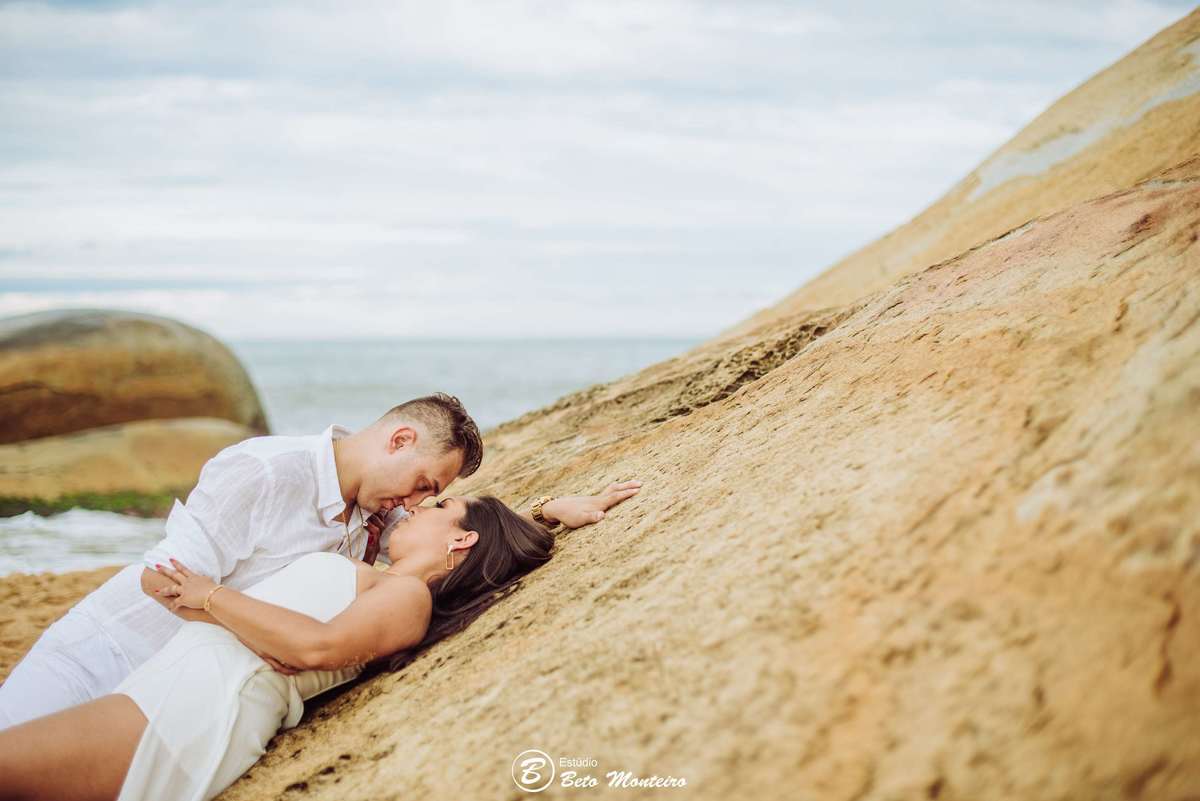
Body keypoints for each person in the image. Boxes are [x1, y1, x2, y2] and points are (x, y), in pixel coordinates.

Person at [0, 392, 639, 728]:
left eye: (430, 497)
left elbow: (460, 541)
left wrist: (548, 510)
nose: (417, 503)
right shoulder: (260, 472)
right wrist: (262, 634)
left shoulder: (380, 511)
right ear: (398, 438)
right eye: (421, 483)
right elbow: (161, 581)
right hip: (101, 656)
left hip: (178, 688)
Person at [0, 491, 594, 801]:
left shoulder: (408, 596)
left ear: (461, 538)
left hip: (189, 714)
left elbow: (315, 646)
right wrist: (547, 512)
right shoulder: (387, 583)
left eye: (438, 506)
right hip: (167, 694)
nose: (417, 507)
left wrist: (211, 598)